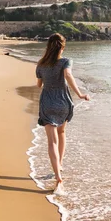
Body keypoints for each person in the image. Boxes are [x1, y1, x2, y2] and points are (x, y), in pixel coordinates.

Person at [36, 33, 90, 191]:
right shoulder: (66, 61)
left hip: (47, 102)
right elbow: (67, 75)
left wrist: (45, 78)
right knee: (61, 133)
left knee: (51, 141)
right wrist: (80, 94)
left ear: (48, 47)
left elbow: (39, 85)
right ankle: (59, 165)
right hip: (62, 101)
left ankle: (58, 176)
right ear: (62, 47)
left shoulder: (40, 64)